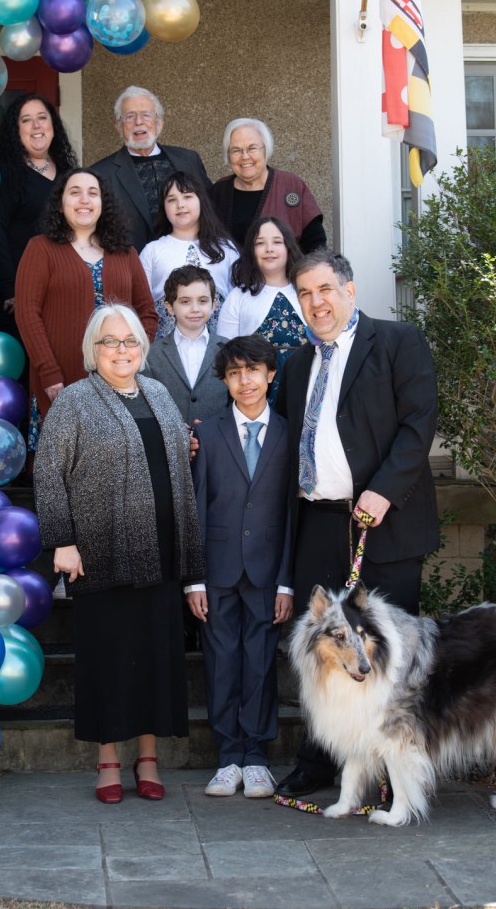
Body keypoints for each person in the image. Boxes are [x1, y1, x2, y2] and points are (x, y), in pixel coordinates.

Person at [273, 250, 439, 798]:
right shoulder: (297, 364)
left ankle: (393, 773)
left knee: (390, 655)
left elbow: (418, 424)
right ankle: (319, 763)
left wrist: (384, 490)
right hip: (318, 524)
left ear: (349, 289)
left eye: (324, 289)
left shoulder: (397, 342)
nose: (315, 302)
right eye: (305, 293)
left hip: (384, 524)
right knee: (322, 651)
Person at [34, 304, 205, 804]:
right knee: (108, 660)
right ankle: (107, 759)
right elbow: (48, 472)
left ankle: (147, 758)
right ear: (94, 349)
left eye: (130, 340)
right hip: (101, 554)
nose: (121, 350)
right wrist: (63, 541)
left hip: (161, 552)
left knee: (155, 658)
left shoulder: (158, 393)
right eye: (110, 341)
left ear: (142, 347)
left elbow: (173, 457)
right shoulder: (74, 401)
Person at [188, 336, 293, 799]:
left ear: (271, 374)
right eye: (234, 373)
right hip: (217, 571)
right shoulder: (207, 435)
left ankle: (256, 758)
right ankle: (228, 757)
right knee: (221, 663)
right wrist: (194, 578)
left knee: (261, 664)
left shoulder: (290, 434)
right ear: (225, 381)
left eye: (252, 370)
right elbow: (195, 507)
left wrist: (287, 582)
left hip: (269, 573)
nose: (244, 381)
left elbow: (291, 513)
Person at [15, 169, 157, 447]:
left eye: (93, 193)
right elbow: (27, 314)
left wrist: (132, 358)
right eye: (75, 192)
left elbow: (148, 314)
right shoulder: (40, 249)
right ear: (61, 203)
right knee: (62, 461)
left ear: (103, 204)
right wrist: (49, 373)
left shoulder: (126, 253)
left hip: (118, 381)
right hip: (60, 380)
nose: (84, 200)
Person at [0, 93, 77, 337]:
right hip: (19, 291)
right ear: (16, 130)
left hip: (61, 288)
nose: (36, 126)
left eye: (42, 118)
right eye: (26, 120)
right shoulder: (4, 172)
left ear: (53, 125)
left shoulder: (68, 173)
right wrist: (12, 288)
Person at [90, 86, 211, 252]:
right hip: (132, 262)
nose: (139, 122)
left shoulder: (189, 160)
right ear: (118, 126)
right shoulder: (100, 174)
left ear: (159, 122)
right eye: (129, 116)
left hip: (190, 259)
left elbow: (210, 209)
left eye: (146, 115)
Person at [217, 217, 307, 403]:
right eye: (260, 243)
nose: (269, 249)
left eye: (277, 242)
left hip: (304, 383)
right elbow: (226, 352)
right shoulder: (238, 297)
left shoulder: (305, 291)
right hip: (255, 392)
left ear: (288, 247)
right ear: (251, 250)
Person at [139, 170, 238, 337]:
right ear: (164, 207)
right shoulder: (152, 251)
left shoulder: (225, 249)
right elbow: (141, 304)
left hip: (219, 346)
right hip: (165, 347)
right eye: (171, 199)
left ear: (201, 200)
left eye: (187, 196)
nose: (180, 205)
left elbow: (238, 302)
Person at [208, 118, 326, 253]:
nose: (245, 156)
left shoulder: (291, 185)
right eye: (236, 150)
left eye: (252, 148)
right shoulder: (218, 192)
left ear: (266, 149)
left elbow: (316, 244)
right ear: (228, 155)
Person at [141, 265, 229, 424]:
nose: (195, 309)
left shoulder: (229, 350)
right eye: (185, 301)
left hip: (219, 437)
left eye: (203, 301)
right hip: (170, 437)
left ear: (213, 305)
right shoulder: (152, 354)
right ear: (169, 307)